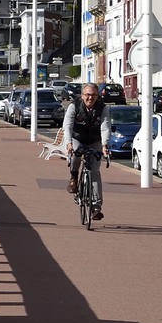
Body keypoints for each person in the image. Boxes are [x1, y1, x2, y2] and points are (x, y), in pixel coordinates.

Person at [63, 83, 112, 221]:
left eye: (93, 95)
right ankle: (73, 178)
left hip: (95, 141)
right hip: (77, 138)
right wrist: (68, 143)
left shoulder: (102, 108)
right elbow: (67, 126)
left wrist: (105, 145)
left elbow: (105, 126)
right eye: (87, 95)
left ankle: (96, 208)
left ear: (97, 96)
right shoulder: (74, 106)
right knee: (76, 156)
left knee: (95, 172)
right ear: (82, 95)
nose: (90, 98)